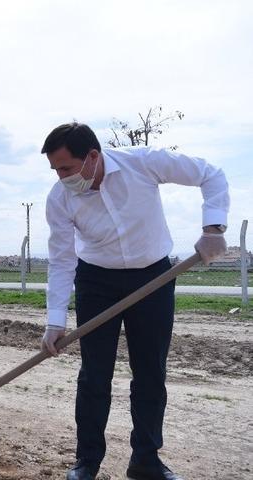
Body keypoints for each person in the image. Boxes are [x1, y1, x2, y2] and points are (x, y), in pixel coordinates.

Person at [39, 123, 228, 480]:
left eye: (66, 168)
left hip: (153, 278)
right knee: (94, 376)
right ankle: (87, 462)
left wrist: (213, 228)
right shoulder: (60, 198)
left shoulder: (143, 163)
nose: (62, 177)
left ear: (92, 157)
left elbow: (210, 174)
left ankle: (146, 460)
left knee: (150, 374)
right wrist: (54, 320)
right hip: (96, 281)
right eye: (55, 170)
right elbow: (62, 259)